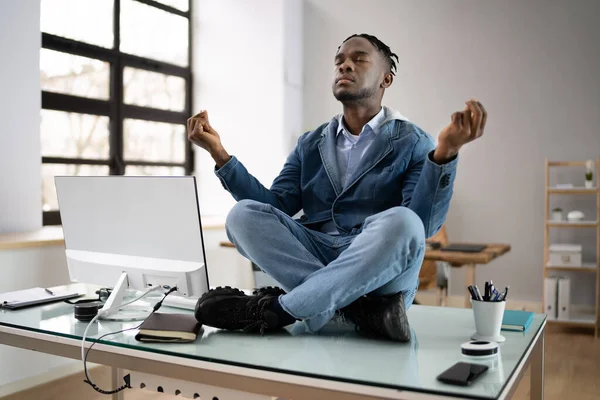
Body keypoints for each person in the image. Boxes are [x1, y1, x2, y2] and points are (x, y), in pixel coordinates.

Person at [187, 33, 487, 341]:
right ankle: (361, 310)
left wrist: (446, 152)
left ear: (386, 79)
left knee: (405, 222)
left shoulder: (414, 141)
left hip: (375, 269)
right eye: (339, 61)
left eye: (358, 59)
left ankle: (280, 310)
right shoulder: (309, 143)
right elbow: (275, 207)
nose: (345, 66)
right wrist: (220, 155)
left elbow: (422, 226)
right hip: (319, 252)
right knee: (241, 216)